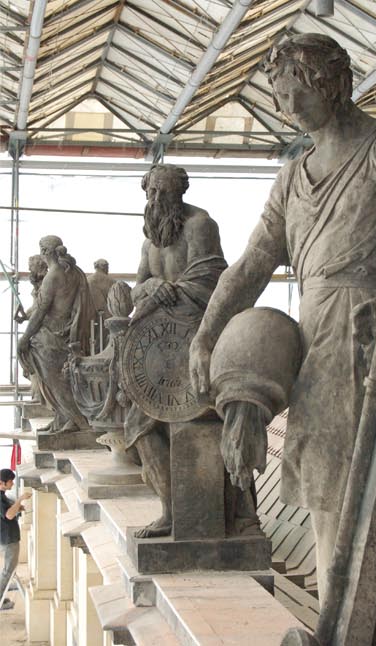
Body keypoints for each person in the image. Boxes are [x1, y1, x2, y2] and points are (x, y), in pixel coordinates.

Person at [187, 32, 376, 642]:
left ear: (328, 83)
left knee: (359, 489)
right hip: (314, 343)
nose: (286, 108)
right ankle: (341, 621)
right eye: (279, 97)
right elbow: (254, 263)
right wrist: (206, 336)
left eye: (292, 93)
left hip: (367, 336)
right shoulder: (292, 177)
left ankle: (353, 622)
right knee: (322, 488)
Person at [122, 163, 229, 538]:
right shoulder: (149, 242)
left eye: (164, 193)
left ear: (180, 193)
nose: (157, 199)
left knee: (201, 421)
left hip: (197, 340)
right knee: (139, 429)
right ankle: (169, 510)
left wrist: (174, 290)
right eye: (152, 192)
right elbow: (137, 289)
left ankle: (215, 516)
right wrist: (152, 290)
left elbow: (213, 280)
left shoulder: (200, 226)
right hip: (158, 348)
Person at [18, 236, 92, 433]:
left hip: (51, 336)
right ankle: (63, 418)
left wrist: (24, 338)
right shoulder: (74, 272)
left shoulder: (53, 275)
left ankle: (74, 419)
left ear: (44, 252)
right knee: (61, 379)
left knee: (54, 379)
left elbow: (41, 311)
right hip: (68, 332)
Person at [1, 468, 27, 612]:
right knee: (8, 571)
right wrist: (20, 500)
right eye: (10, 481)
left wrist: (17, 507)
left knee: (8, 571)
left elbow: (9, 511)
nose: (12, 484)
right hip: (9, 538)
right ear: (2, 483)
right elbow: (9, 515)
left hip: (9, 537)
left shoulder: (3, 495)